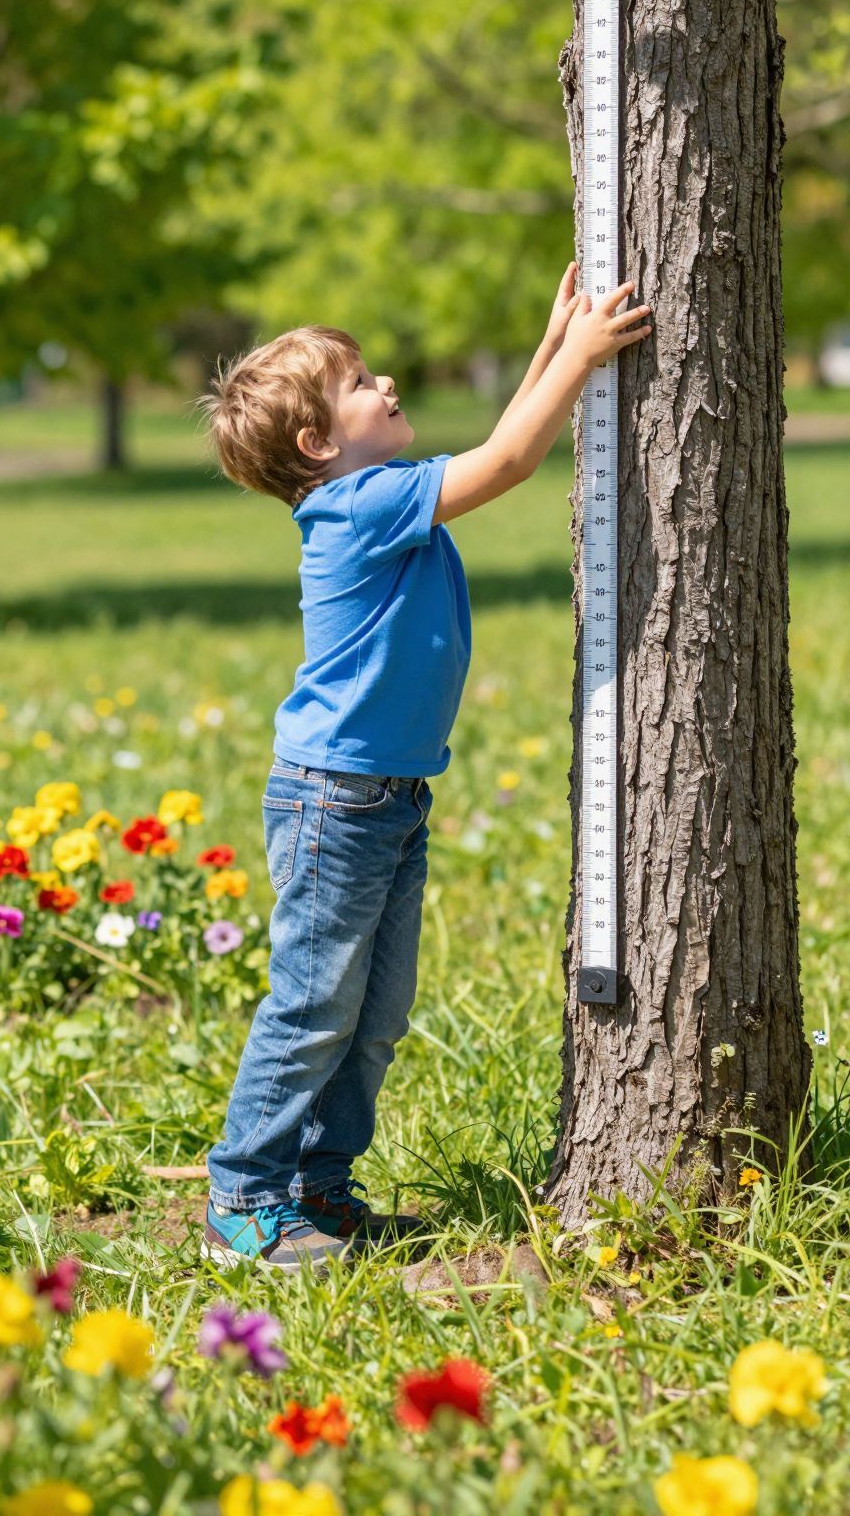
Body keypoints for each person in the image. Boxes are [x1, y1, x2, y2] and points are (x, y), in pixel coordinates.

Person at [196, 264, 651, 1272]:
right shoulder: (357, 509)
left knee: (373, 1009)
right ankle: (242, 1196)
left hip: (387, 797)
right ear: (320, 442)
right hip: (335, 799)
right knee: (315, 1002)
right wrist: (577, 355)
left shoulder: (378, 494)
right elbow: (506, 461)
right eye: (359, 381)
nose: (386, 381)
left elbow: (494, 443)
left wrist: (552, 342)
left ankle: (322, 1185)